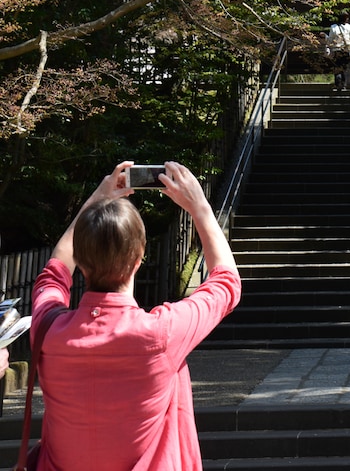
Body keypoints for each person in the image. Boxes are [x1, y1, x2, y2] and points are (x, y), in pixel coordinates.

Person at [30, 160, 240, 471]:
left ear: (82, 262)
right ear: (140, 257)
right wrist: (200, 207)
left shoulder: (48, 330)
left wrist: (96, 201)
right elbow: (226, 283)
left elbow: (54, 273)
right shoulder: (163, 333)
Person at [326, 11, 350, 91]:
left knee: (337, 67)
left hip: (337, 50)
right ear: (346, 18)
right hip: (346, 50)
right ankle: (343, 85)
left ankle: (337, 84)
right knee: (344, 68)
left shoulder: (333, 27)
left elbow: (330, 40)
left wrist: (328, 47)